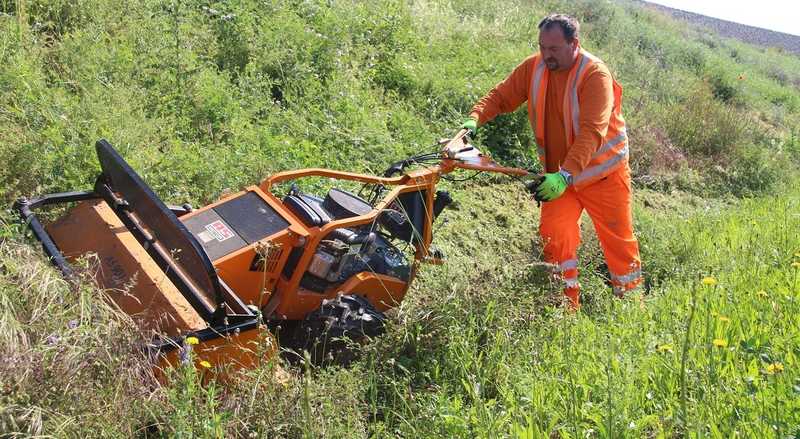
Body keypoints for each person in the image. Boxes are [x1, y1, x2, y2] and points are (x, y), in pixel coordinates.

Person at [462, 13, 642, 309]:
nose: (547, 55)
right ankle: (565, 307)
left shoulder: (595, 75)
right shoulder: (535, 67)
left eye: (554, 49)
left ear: (574, 44)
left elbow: (592, 132)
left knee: (618, 244)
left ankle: (631, 306)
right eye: (542, 47)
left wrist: (565, 175)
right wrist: (474, 118)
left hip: (602, 176)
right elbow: (501, 96)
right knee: (554, 237)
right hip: (560, 179)